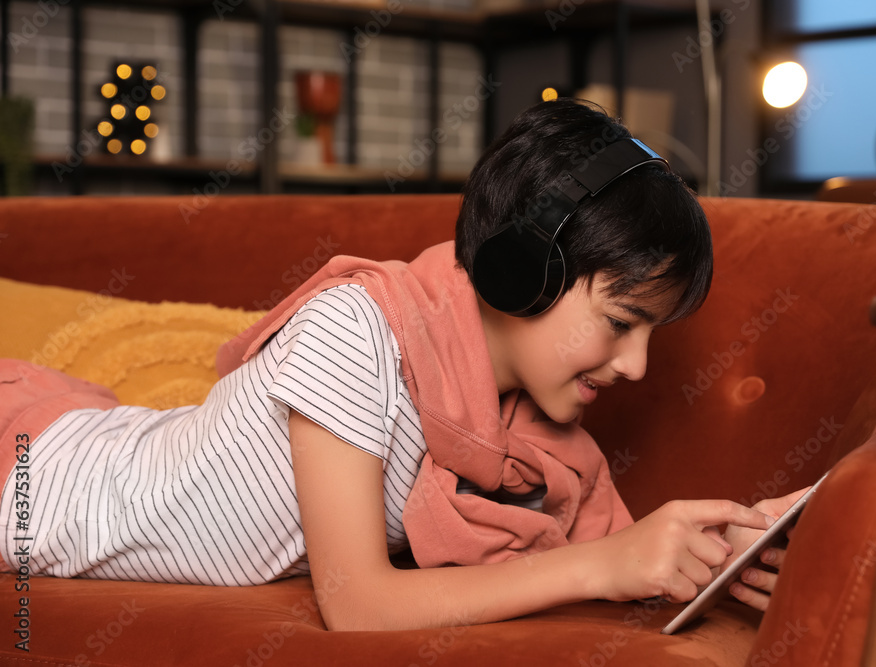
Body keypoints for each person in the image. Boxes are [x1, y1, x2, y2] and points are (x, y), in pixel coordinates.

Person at [0, 98, 807, 632]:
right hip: (39, 484)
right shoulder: (356, 333)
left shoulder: (535, 429)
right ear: (522, 271)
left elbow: (626, 555)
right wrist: (603, 562)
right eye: (623, 321)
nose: (635, 365)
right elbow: (355, 603)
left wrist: (729, 546)